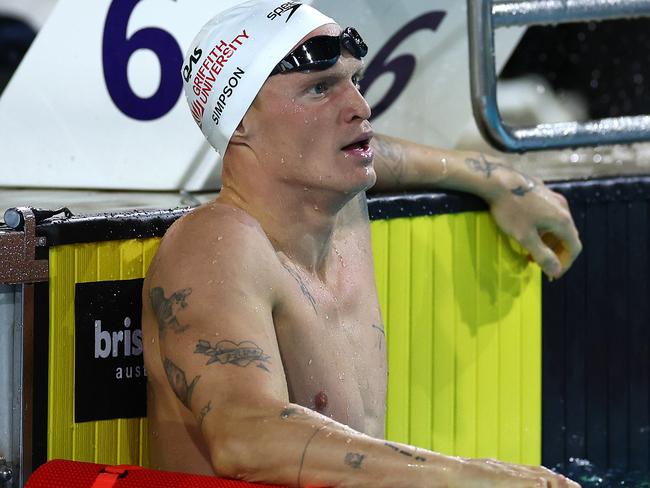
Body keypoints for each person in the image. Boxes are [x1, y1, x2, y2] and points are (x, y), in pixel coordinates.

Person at [142, 1, 581, 486]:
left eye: (354, 80)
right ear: (240, 121)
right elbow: (245, 438)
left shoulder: (337, 200)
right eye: (319, 88)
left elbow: (381, 151)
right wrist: (467, 476)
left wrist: (502, 181)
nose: (359, 106)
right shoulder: (217, 244)